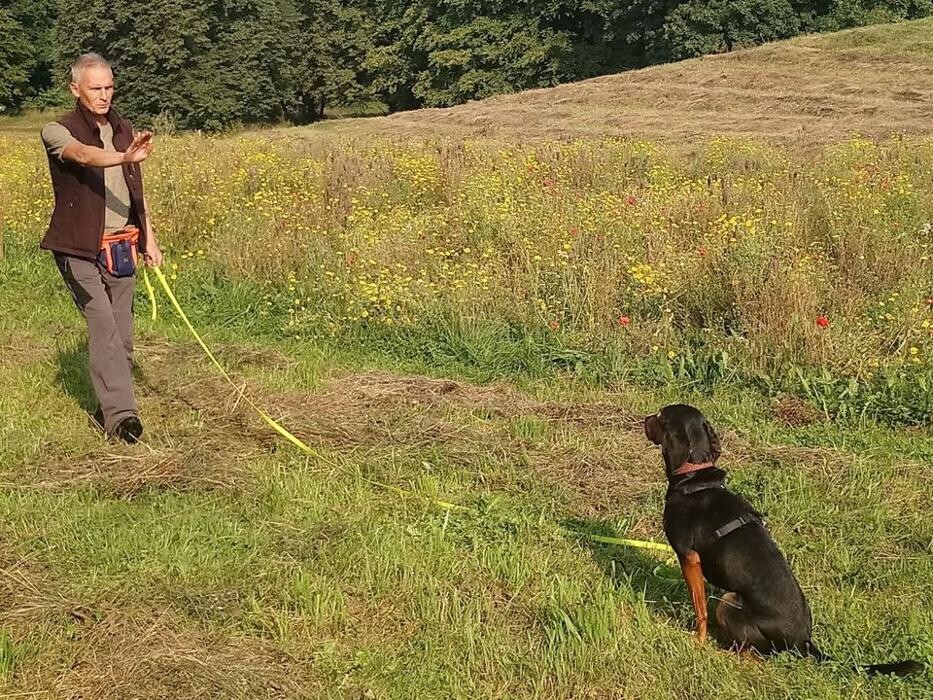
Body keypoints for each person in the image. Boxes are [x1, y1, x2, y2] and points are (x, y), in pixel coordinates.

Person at [40, 53, 163, 443]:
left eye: (109, 87)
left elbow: (136, 189)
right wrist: (123, 156)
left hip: (122, 244)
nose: (105, 95)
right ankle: (124, 419)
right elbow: (83, 155)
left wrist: (149, 238)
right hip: (77, 248)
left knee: (123, 335)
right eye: (96, 88)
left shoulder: (124, 128)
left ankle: (107, 406)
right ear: (76, 89)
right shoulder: (56, 130)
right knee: (105, 327)